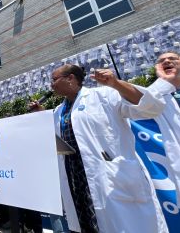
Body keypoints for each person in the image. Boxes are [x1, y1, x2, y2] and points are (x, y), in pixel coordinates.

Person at [46, 64, 168, 232]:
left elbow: (151, 107)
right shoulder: (59, 111)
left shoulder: (104, 95)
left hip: (111, 180)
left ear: (70, 78)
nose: (51, 85)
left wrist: (116, 84)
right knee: (88, 226)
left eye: (54, 80)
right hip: (77, 181)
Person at [145, 52, 180, 210]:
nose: (167, 61)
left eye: (172, 59)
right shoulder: (158, 96)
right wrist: (163, 80)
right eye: (161, 61)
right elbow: (143, 102)